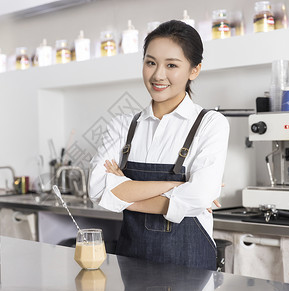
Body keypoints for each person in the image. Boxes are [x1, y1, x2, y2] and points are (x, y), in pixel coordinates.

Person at [88, 20, 229, 270]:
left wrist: (123, 193)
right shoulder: (123, 126)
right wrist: (175, 187)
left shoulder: (210, 123)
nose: (157, 75)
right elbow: (97, 188)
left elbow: (199, 196)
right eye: (150, 62)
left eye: (171, 65)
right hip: (132, 263)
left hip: (190, 268)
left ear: (194, 70)